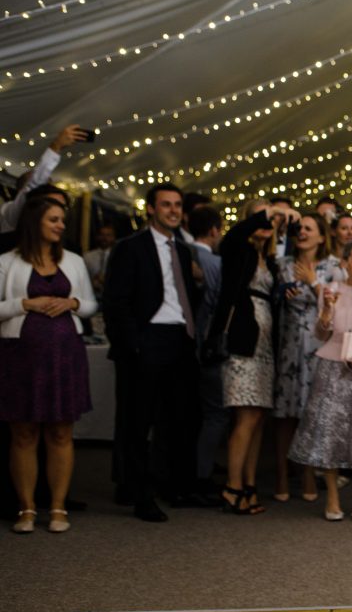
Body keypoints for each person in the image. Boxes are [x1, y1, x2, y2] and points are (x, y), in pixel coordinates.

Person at [104, 183, 201, 522]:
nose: (173, 210)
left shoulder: (184, 251)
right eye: (166, 205)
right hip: (147, 339)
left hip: (180, 339)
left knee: (175, 419)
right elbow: (115, 303)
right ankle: (139, 492)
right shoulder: (130, 248)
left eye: (177, 205)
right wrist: (134, 343)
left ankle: (168, 484)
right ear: (150, 209)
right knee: (138, 421)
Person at [0, 198, 96, 533]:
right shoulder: (6, 262)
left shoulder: (72, 261)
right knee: (23, 433)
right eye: (53, 219)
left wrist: (73, 302)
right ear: (34, 222)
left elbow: (90, 304)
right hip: (19, 356)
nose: (60, 225)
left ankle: (58, 507)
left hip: (64, 355)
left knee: (60, 431)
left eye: (62, 220)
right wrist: (25, 303)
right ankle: (26, 508)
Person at [289, 239, 352, 520]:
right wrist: (327, 310)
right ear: (345, 263)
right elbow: (321, 334)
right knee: (329, 432)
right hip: (332, 366)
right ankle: (332, 497)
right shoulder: (331, 290)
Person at [207, 199, 295, 514]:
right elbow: (232, 237)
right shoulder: (236, 250)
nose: (267, 221)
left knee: (258, 418)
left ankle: (249, 484)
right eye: (261, 215)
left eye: (270, 217)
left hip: (265, 344)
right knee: (244, 416)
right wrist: (267, 213)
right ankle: (232, 487)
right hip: (242, 340)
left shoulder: (268, 260)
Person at [273, 214, 342, 502]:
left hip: (319, 346)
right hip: (290, 345)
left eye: (308, 228)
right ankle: (281, 477)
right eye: (299, 228)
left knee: (312, 414)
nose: (302, 232)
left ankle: (308, 475)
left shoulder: (334, 268)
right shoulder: (283, 266)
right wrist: (281, 294)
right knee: (285, 415)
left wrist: (313, 282)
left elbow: (336, 308)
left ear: (322, 237)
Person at [188, 205, 229, 490]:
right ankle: (201, 473)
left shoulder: (179, 253)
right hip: (208, 344)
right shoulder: (216, 264)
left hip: (182, 343)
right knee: (216, 412)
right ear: (214, 230)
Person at [0, 125, 88, 233]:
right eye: (44, 190)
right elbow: (34, 184)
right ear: (22, 193)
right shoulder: (12, 212)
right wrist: (56, 146)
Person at [83, 224, 116, 302]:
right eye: (102, 235)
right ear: (97, 236)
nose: (104, 238)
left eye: (108, 235)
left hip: (111, 299)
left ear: (113, 237)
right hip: (90, 298)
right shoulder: (87, 256)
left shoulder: (119, 257)